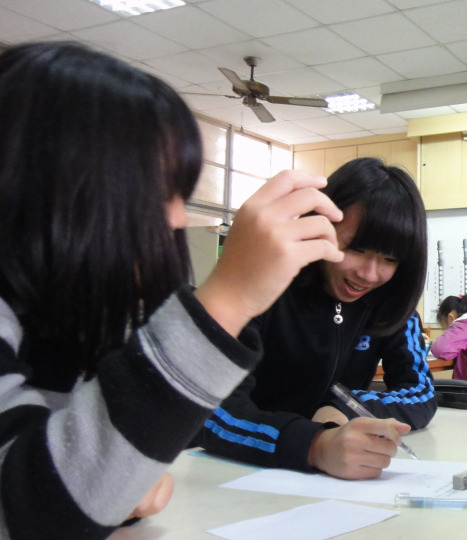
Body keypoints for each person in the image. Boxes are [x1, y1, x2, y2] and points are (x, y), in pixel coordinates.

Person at [0, 42, 345, 538]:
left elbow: (70, 479)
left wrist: (108, 482)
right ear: (52, 184)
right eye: (158, 192)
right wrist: (227, 298)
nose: (181, 220)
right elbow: (33, 506)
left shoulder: (86, 308)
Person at [194, 157, 437, 480]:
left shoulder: (389, 302)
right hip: (226, 473)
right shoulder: (265, 285)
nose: (369, 274)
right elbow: (210, 411)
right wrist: (314, 444)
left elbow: (421, 392)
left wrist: (343, 408)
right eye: (356, 249)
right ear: (322, 226)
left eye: (390, 259)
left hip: (323, 484)